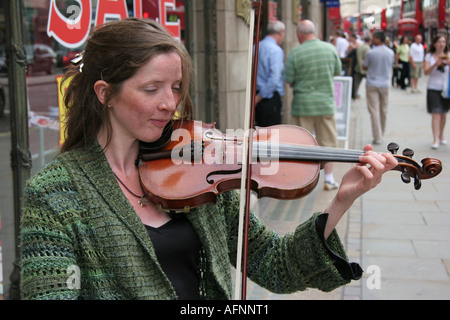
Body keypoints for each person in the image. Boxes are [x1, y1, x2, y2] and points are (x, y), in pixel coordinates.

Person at [19, 18, 397, 300]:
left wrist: (342, 198)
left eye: (176, 87)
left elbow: (274, 264)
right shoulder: (54, 193)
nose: (170, 103)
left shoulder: (198, 168)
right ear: (105, 93)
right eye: (152, 89)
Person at [285, 20, 342, 191]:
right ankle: (329, 179)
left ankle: (301, 181)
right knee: (329, 143)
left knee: (301, 144)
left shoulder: (295, 53)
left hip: (302, 105)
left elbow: (289, 79)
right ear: (314, 32)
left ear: (299, 35)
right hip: (325, 104)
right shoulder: (330, 49)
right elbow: (337, 71)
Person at [363, 30, 395, 145]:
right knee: (384, 110)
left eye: (374, 37)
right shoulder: (390, 52)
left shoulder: (370, 53)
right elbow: (391, 65)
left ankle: (378, 136)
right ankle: (382, 132)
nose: (372, 39)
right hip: (385, 84)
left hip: (372, 83)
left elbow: (365, 66)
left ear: (378, 38)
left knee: (374, 110)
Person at [255, 20, 285, 127]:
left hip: (258, 97)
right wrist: (259, 97)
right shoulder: (276, 50)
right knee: (272, 137)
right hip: (269, 98)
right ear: (281, 32)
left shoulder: (256, 47)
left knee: (260, 136)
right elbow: (274, 78)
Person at [423, 35, 450, 149]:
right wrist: (435, 64)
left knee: (443, 114)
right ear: (434, 44)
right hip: (433, 88)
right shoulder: (429, 56)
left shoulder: (448, 55)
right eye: (439, 42)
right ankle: (435, 139)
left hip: (445, 89)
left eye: (443, 42)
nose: (441, 44)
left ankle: (441, 135)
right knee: (436, 114)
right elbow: (426, 72)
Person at [353, 35, 371, 99]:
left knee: (357, 82)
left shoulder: (360, 47)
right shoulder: (367, 48)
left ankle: (354, 94)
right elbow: (367, 59)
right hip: (364, 68)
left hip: (358, 67)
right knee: (370, 82)